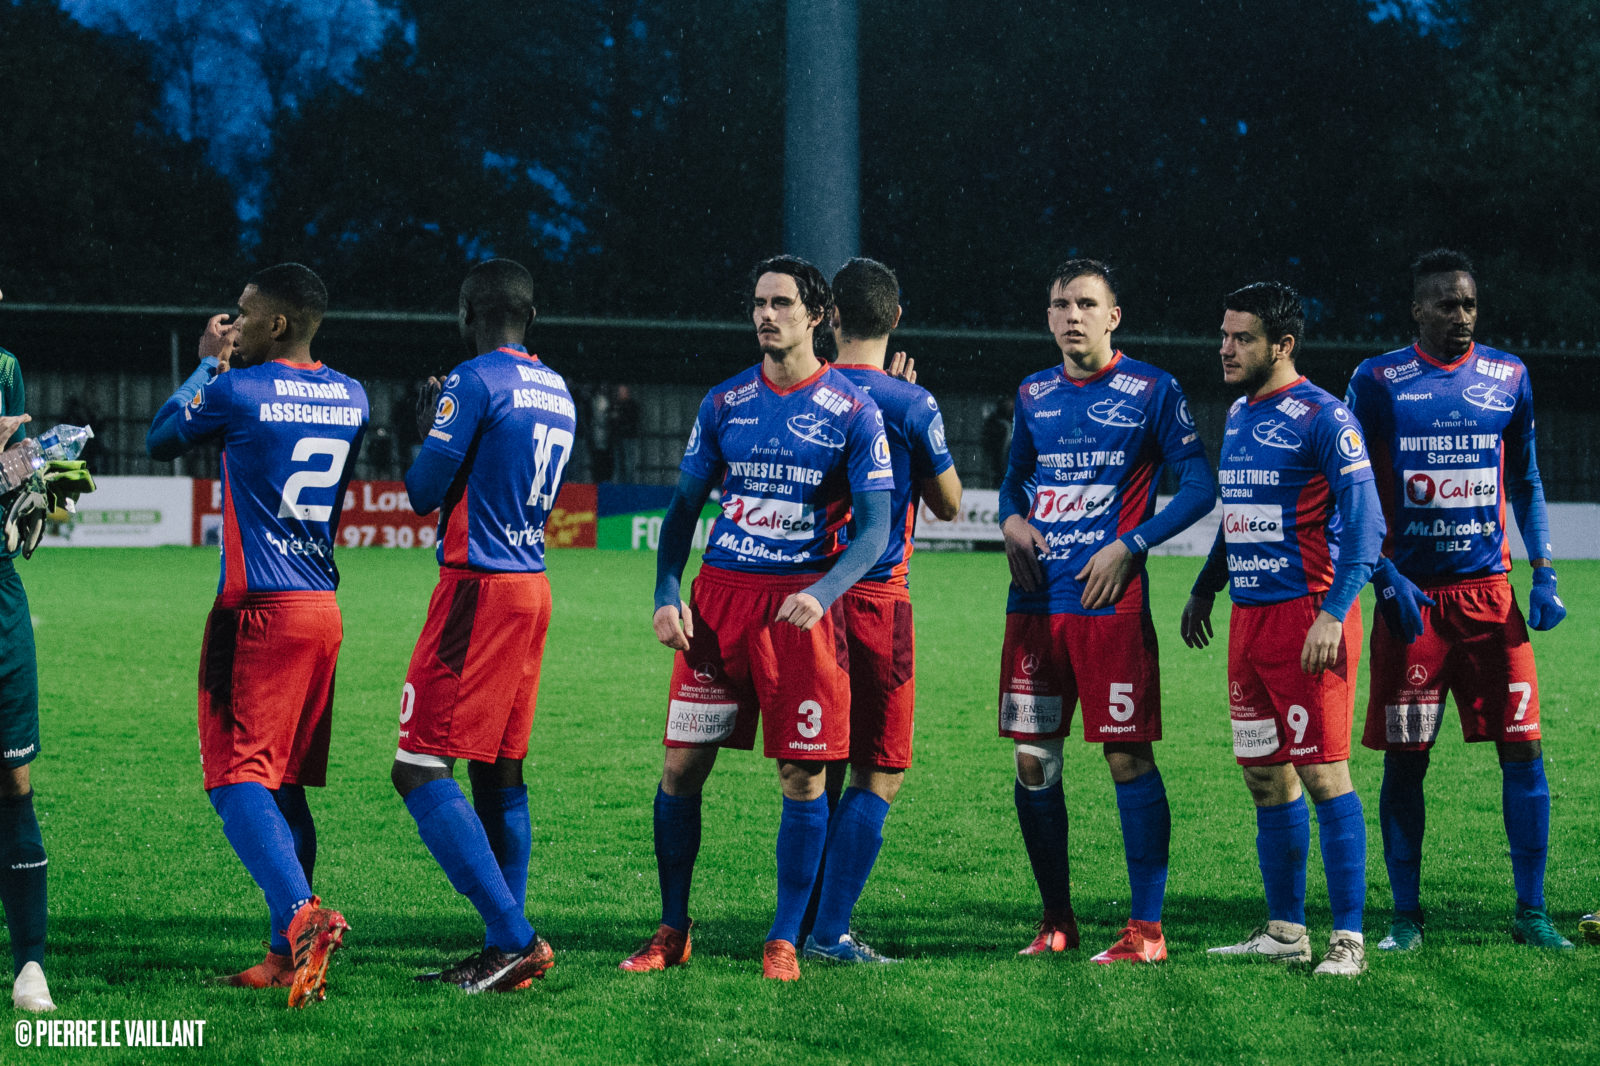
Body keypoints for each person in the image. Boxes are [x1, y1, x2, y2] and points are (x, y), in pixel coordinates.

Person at [619, 255, 893, 981]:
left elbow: (875, 528)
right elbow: (683, 510)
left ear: (816, 315)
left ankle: (783, 938)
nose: (766, 315)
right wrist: (666, 591)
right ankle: (672, 929)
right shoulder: (724, 402)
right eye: (759, 303)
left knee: (802, 775)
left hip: (800, 611)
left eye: (781, 303)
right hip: (718, 607)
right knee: (681, 767)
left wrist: (826, 592)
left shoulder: (853, 410)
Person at [146, 263, 367, 1007]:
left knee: (235, 777)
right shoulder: (352, 395)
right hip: (321, 608)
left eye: (244, 314)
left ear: (277, 323)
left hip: (257, 611)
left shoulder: (237, 389)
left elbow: (162, 439)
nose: (233, 324)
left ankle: (305, 918)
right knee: (286, 785)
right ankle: (280, 955)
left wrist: (208, 362)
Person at [1346, 249, 1572, 952]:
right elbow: (1352, 491)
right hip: (1412, 605)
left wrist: (1544, 571)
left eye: (1469, 303)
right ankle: (1404, 916)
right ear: (1417, 310)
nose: (1462, 316)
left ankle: (1532, 912)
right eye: (1447, 304)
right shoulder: (1377, 380)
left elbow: (1526, 480)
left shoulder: (1510, 377)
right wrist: (1383, 576)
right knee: (1406, 760)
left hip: (1490, 599)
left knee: (1524, 751)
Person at [998, 259, 1214, 964]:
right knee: (1034, 762)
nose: (1073, 315)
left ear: (1113, 316)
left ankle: (1146, 930)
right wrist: (1009, 521)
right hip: (1035, 601)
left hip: (1107, 604)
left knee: (1126, 755)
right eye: (1061, 304)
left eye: (1087, 304)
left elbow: (1199, 487)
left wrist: (1132, 545)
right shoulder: (1033, 392)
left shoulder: (1152, 389)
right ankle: (1056, 922)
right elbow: (1013, 483)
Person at [1181, 282, 1383, 976]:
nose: (1225, 347)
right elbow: (1239, 513)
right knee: (1266, 777)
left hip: (1309, 616)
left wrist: (1334, 611)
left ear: (1282, 345)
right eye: (1224, 334)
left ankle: (1349, 939)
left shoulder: (1326, 417)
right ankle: (1285, 931)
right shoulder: (1240, 412)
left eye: (1242, 338)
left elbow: (1367, 525)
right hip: (1249, 620)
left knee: (1324, 773)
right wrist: (1207, 585)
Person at [391, 259, 575, 993]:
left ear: (467, 313)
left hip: (479, 589)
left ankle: (515, 938)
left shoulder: (471, 381)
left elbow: (421, 492)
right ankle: (505, 948)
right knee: (500, 769)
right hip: (531, 583)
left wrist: (425, 426)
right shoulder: (557, 387)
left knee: (417, 766)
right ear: (531, 317)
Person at [795, 257, 962, 964]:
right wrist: (907, 413)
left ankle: (799, 921)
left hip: (808, 596)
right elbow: (949, 505)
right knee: (878, 768)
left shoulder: (805, 390)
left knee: (817, 765)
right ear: (895, 318)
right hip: (876, 600)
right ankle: (830, 932)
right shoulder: (909, 403)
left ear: (830, 317)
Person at [611, 384, 642, 483]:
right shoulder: (616, 404)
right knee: (619, 462)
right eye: (620, 392)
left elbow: (633, 419)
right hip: (618, 436)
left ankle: (629, 483)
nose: (620, 394)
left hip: (629, 436)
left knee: (629, 461)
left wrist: (620, 418)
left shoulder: (632, 405)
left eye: (622, 391)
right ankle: (620, 482)